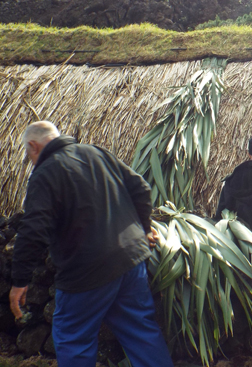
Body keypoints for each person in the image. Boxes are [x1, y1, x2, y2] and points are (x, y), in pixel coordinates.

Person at [9, 121, 173, 367]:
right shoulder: (96, 153)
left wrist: (20, 280)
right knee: (141, 332)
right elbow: (141, 187)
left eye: (28, 153)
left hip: (86, 273)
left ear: (33, 146)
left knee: (73, 338)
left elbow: (33, 230)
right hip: (130, 261)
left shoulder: (44, 174)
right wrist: (145, 228)